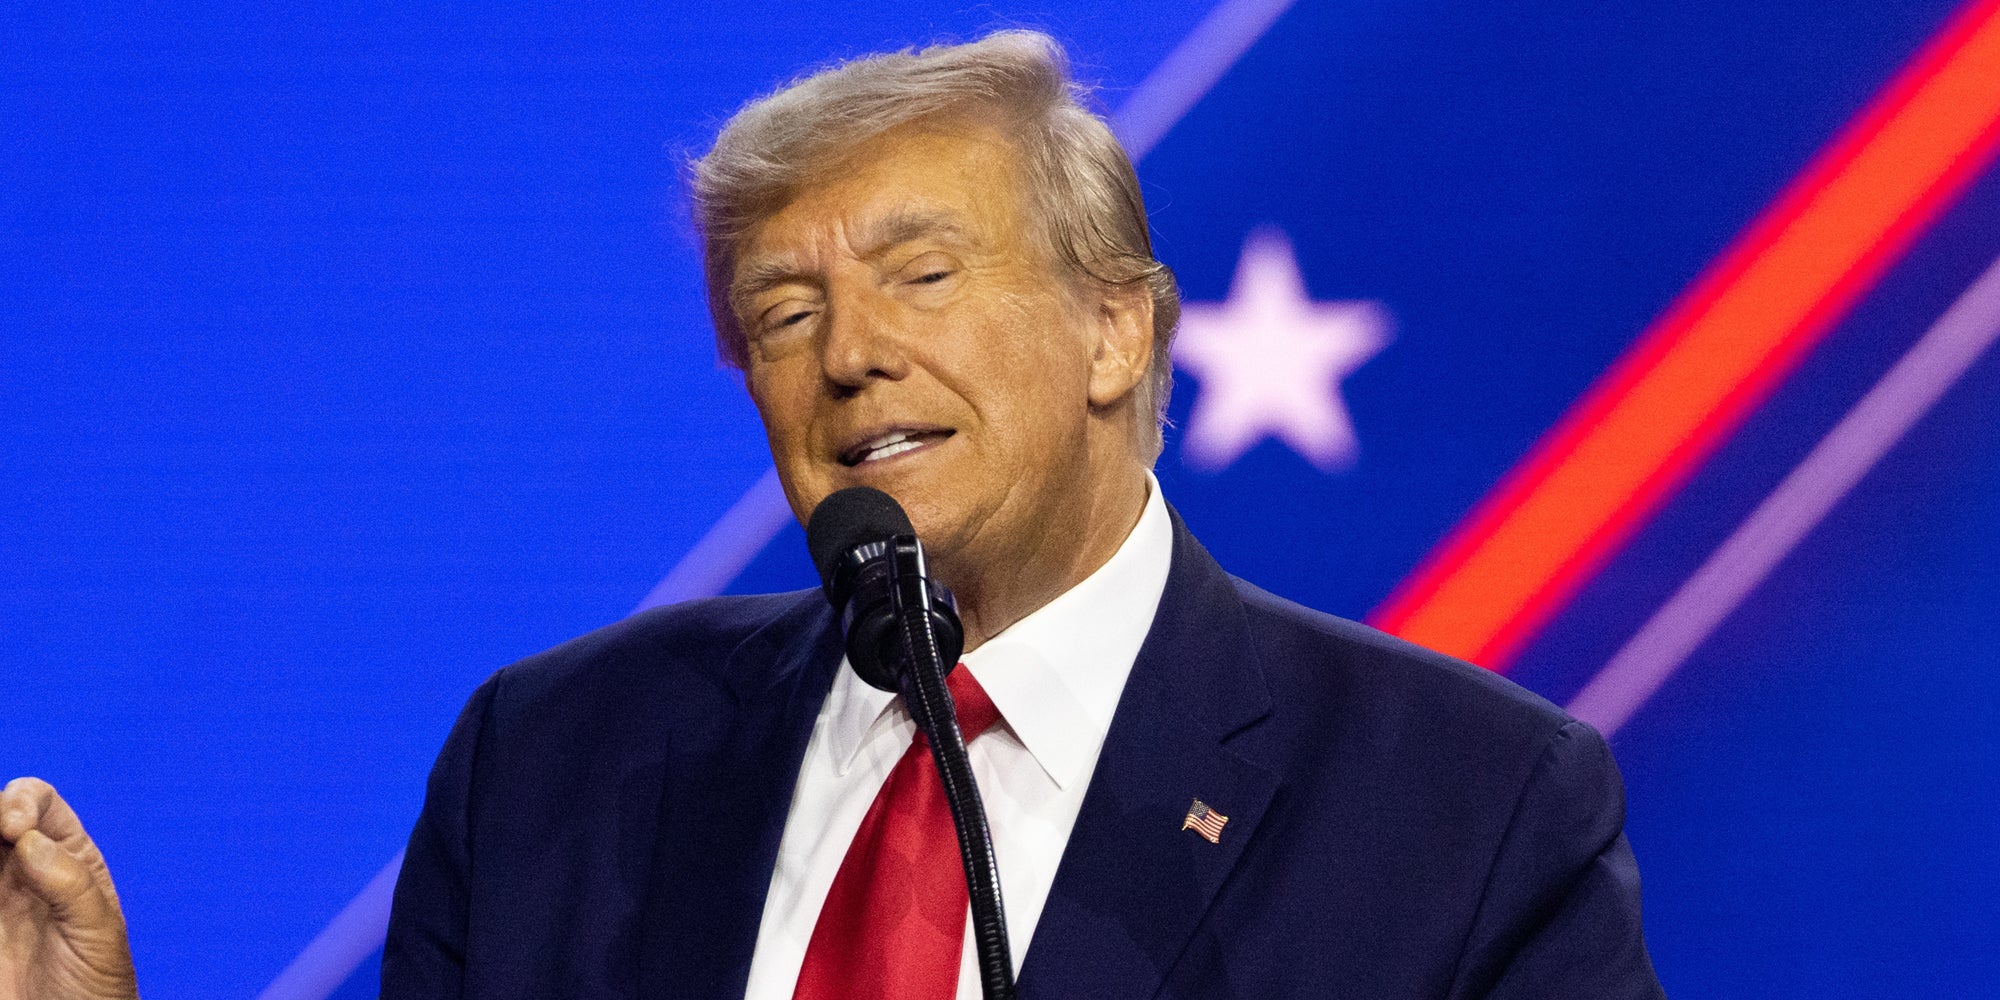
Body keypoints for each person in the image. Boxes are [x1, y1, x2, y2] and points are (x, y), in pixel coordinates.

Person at [2, 30, 1665, 1000]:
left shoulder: (1466, 812)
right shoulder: (555, 764)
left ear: (1117, 327)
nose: (853, 356)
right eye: (785, 317)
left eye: (922, 278)